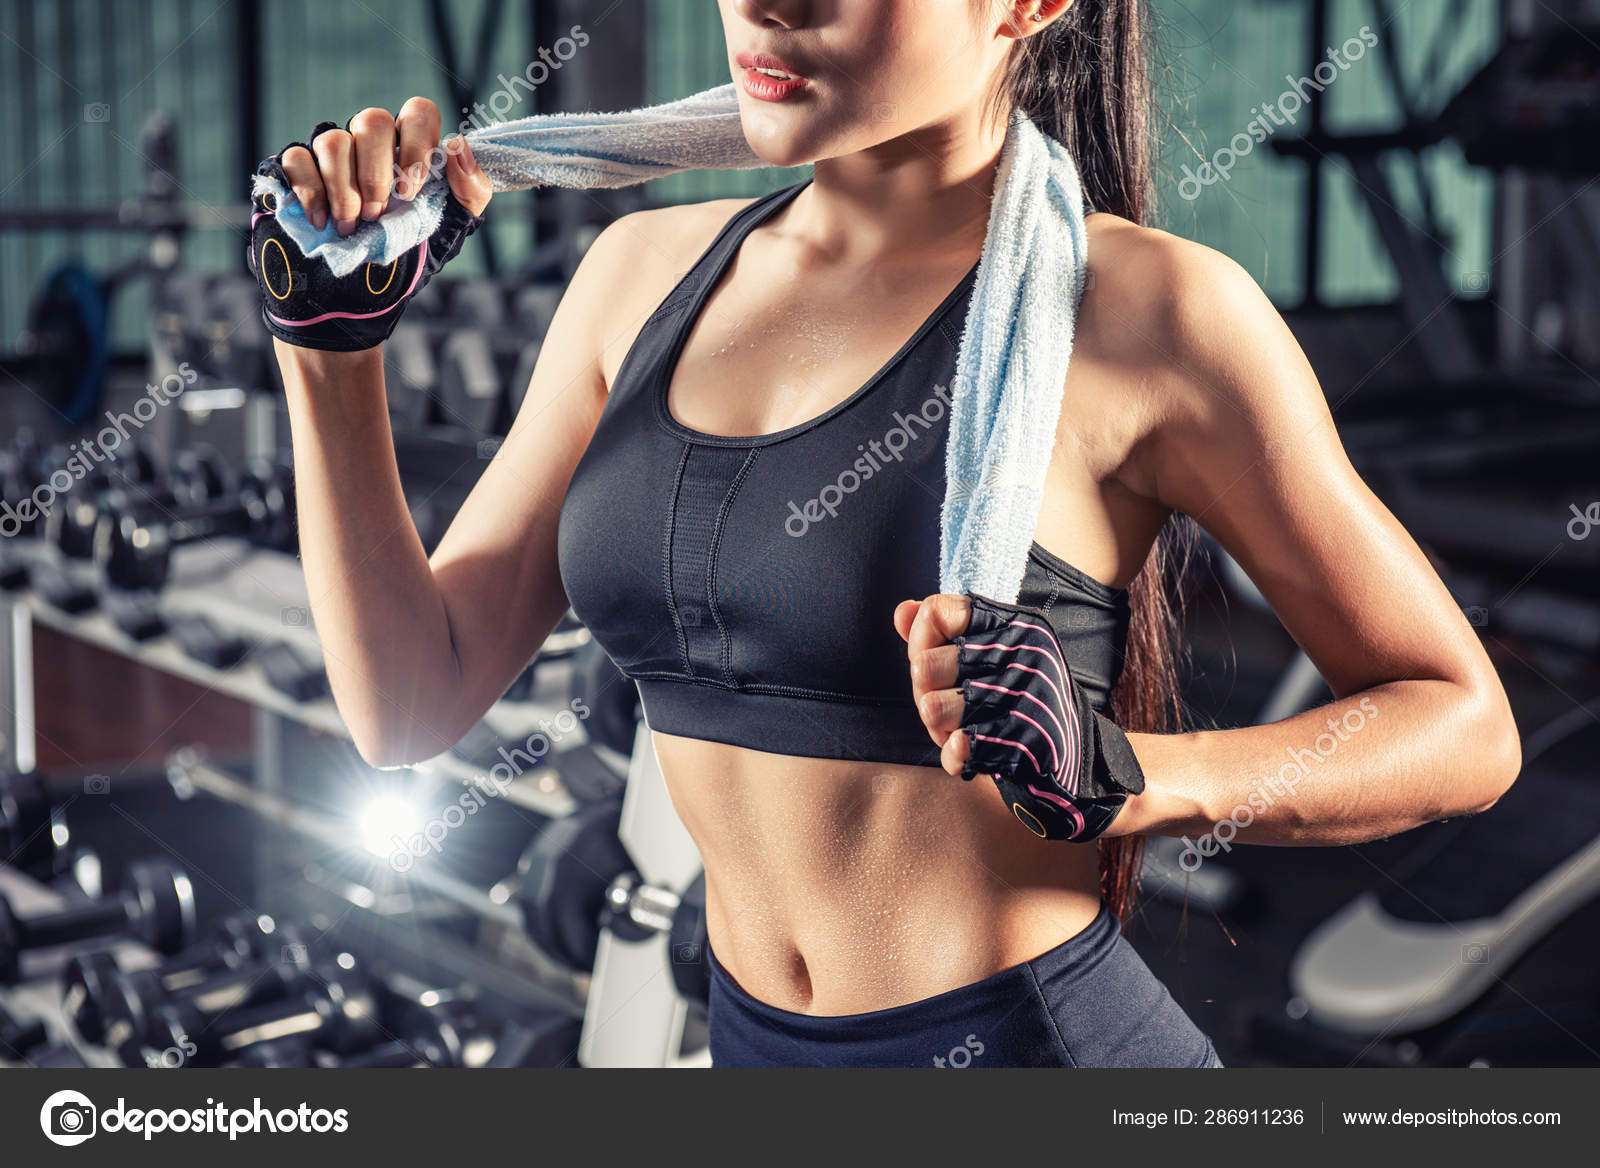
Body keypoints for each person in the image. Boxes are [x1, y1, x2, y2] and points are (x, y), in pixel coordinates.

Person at [254, 0, 1521, 1067]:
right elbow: (408, 700)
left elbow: (1459, 723)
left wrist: (1135, 778)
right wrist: (329, 353)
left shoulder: (1152, 315)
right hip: (747, 1047)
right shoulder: (633, 278)